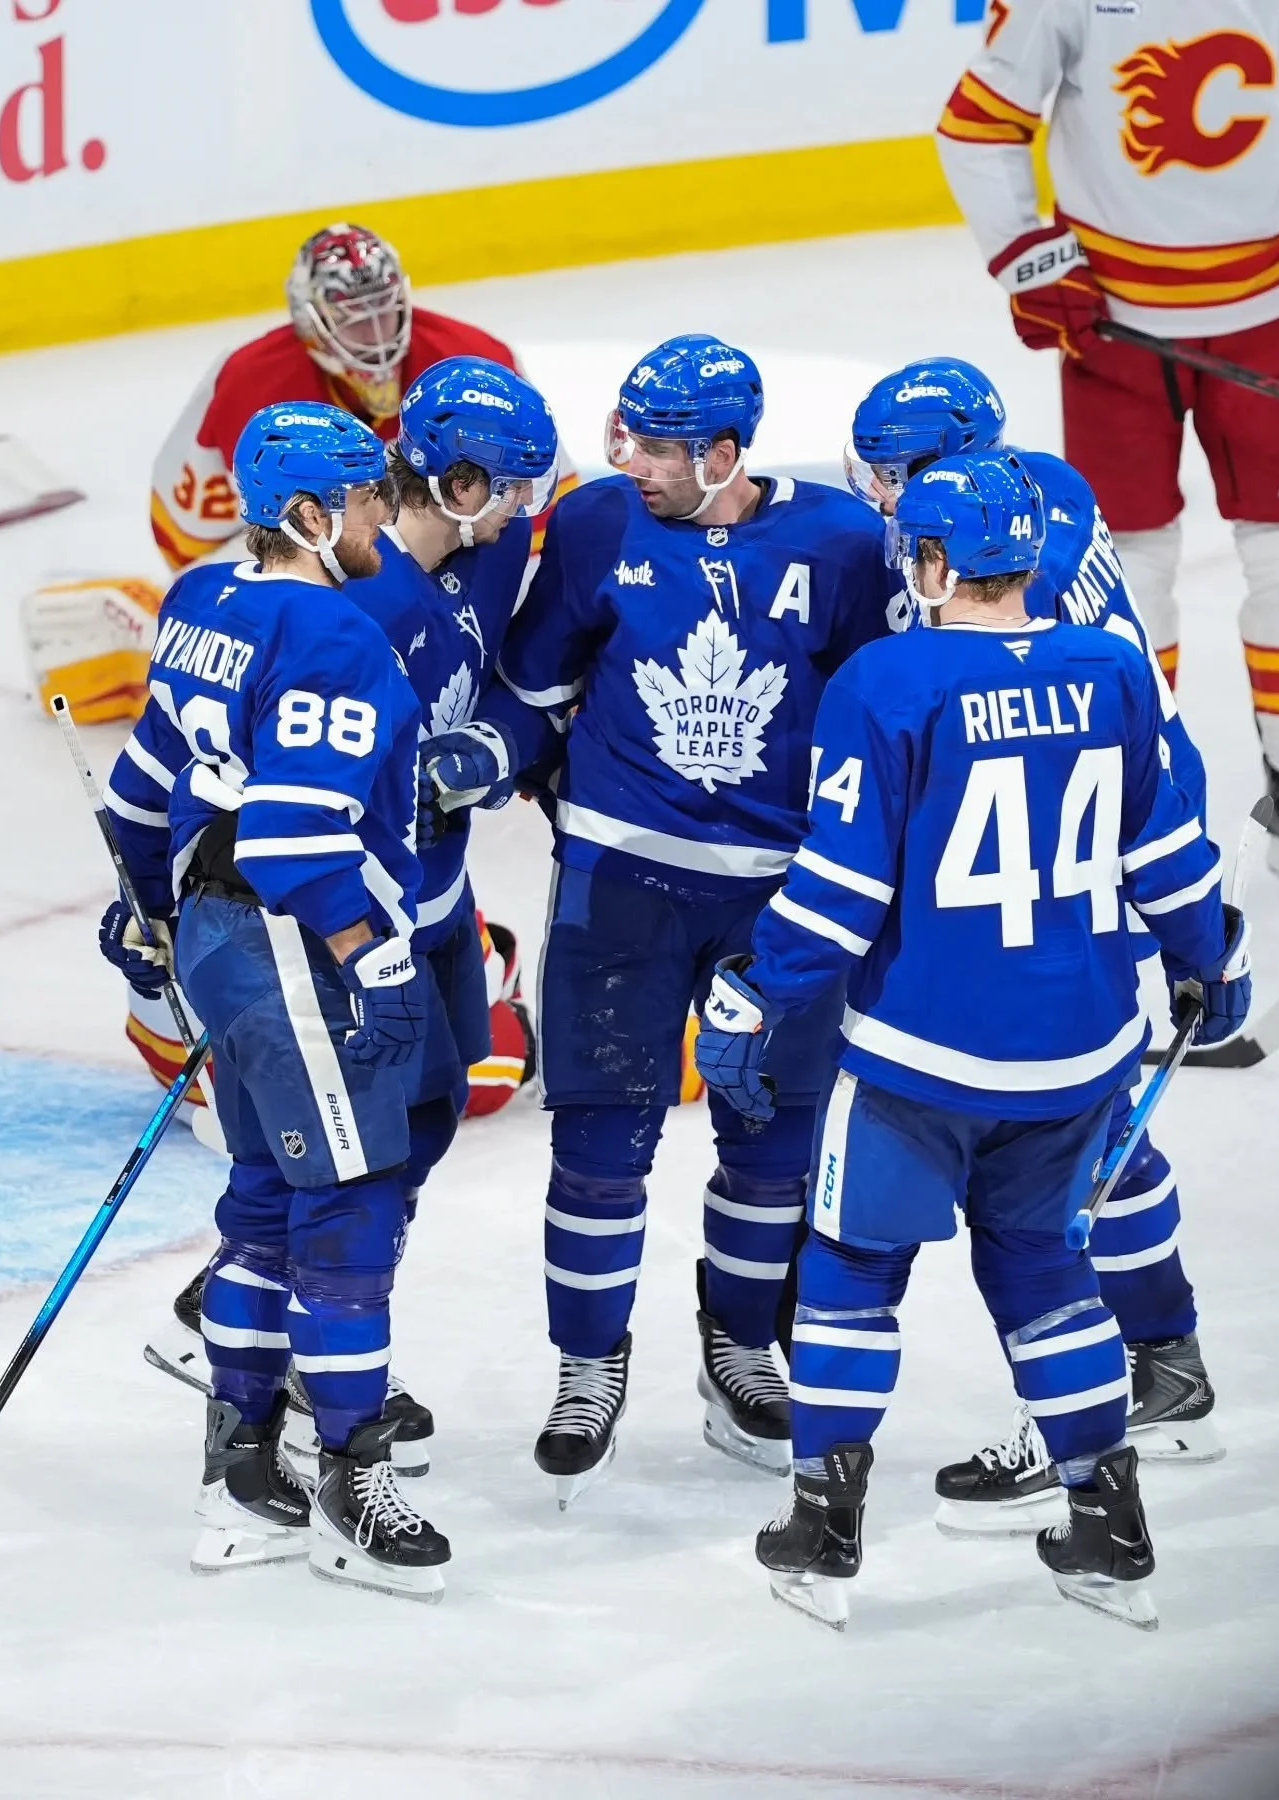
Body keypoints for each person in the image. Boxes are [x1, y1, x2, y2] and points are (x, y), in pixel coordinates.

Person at [693, 450, 1252, 1632]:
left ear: (936, 564)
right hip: (1080, 1052)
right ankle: (1108, 1516)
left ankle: (826, 1517)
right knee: (1049, 1274)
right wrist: (1217, 957)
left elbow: (841, 890)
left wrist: (755, 991)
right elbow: (1167, 853)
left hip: (921, 1055)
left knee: (851, 1265)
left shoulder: (891, 680)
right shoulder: (1111, 665)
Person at [426, 335, 906, 1505]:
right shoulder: (595, 524)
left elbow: (886, 714)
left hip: (777, 901)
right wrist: (490, 749)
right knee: (596, 1150)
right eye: (622, 432)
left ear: (727, 453)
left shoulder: (842, 545)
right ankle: (588, 1366)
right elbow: (535, 689)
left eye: (653, 444)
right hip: (620, 883)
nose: (623, 456)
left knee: (771, 1153)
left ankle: (740, 1346)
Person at [845, 360, 1223, 1537]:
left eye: (897, 473)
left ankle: (1138, 1372)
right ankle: (1167, 1360)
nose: (884, 499)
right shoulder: (1030, 492)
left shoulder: (1010, 566)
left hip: (1079, 832)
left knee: (1078, 1141)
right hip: (1102, 806)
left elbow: (993, 711)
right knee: (1097, 1128)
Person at [97, 400, 451, 1601]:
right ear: (310, 513)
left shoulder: (204, 597)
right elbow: (300, 841)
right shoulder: (337, 634)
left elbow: (141, 784)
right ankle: (352, 1482)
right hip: (291, 937)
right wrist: (381, 958)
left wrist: (149, 913)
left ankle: (241, 1479)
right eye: (363, 500)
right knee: (347, 1206)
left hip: (213, 933)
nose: (382, 518)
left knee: (264, 1200)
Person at [937, 0, 1279, 897]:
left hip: (1266, 324)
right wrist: (1028, 256)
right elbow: (977, 126)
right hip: (1113, 332)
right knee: (1126, 571)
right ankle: (1135, 798)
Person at [149, 222, 575, 573]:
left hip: (459, 552)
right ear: (310, 322)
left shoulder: (474, 363)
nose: (377, 339)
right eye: (354, 322)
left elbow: (545, 506)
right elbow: (190, 539)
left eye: (384, 312)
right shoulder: (249, 385)